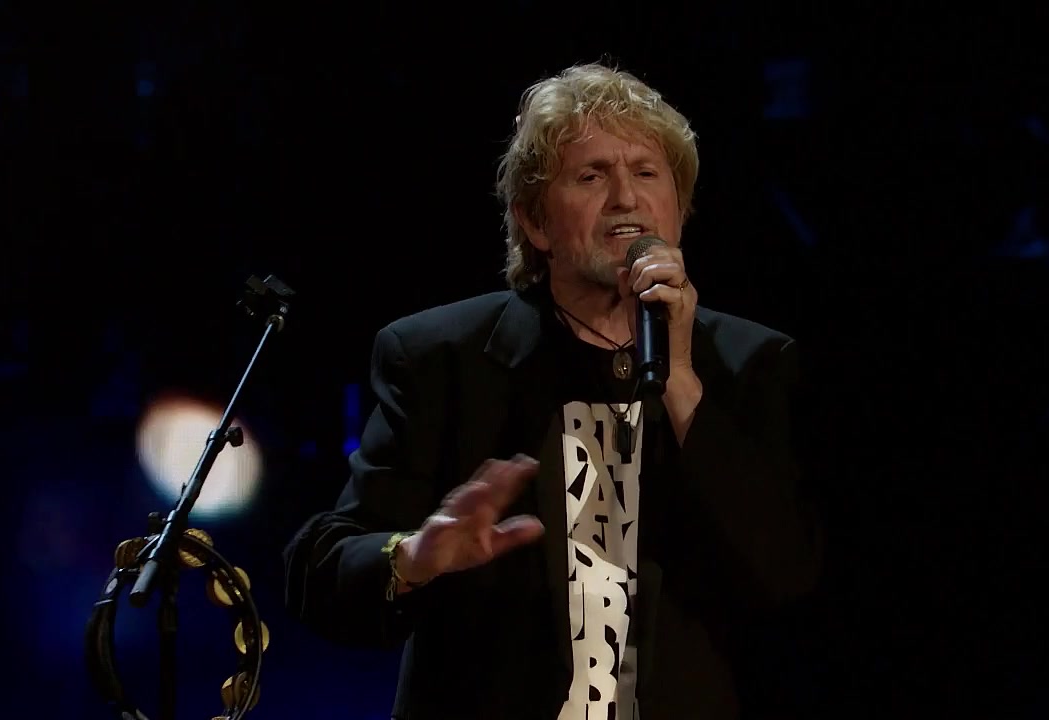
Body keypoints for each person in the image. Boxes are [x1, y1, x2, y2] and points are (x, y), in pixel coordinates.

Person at [282, 62, 823, 720]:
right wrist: (414, 557)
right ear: (535, 222)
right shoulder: (439, 360)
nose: (625, 198)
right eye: (592, 175)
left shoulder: (750, 364)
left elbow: (785, 574)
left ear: (679, 210)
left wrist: (680, 377)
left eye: (647, 173)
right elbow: (321, 573)